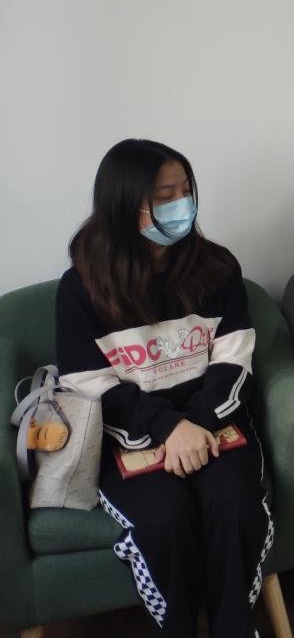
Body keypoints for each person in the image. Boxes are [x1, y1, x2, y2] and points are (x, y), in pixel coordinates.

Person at [56, 139, 270, 637]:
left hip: (214, 422)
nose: (182, 204)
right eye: (164, 195)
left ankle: (235, 627)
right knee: (164, 518)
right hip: (130, 434)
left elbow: (234, 359)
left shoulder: (217, 267)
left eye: (185, 190)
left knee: (233, 504)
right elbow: (87, 384)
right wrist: (168, 428)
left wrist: (196, 426)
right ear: (123, 204)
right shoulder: (81, 286)